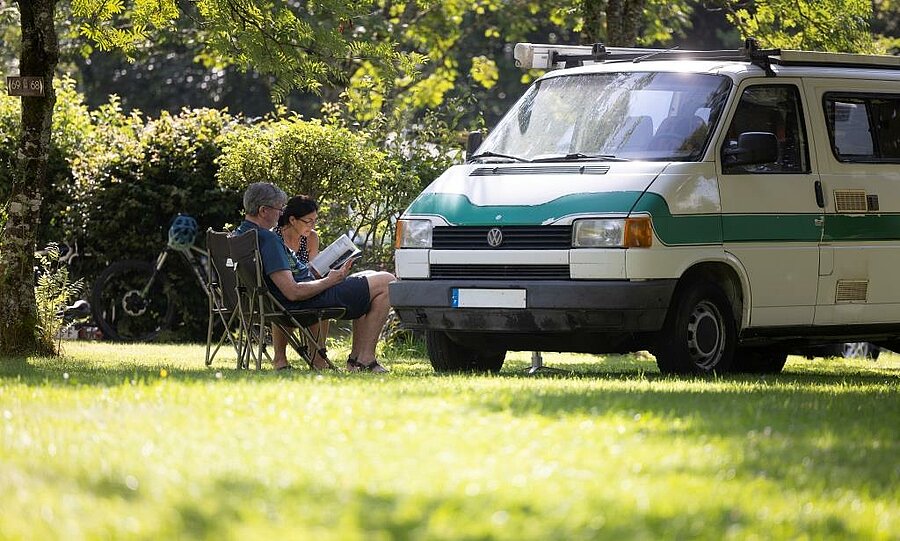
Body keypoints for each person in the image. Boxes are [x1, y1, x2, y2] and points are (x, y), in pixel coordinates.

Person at [235, 182, 395, 372]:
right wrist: (330, 280)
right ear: (263, 210)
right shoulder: (268, 239)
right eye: (279, 209)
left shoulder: (241, 235)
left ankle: (356, 359)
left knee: (368, 275)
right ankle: (365, 359)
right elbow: (293, 292)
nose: (281, 214)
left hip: (294, 296)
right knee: (387, 281)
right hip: (304, 302)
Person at [273, 195, 329, 369]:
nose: (312, 226)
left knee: (322, 298)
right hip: (280, 288)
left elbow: (313, 269)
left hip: (305, 286)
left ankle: (317, 357)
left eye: (315, 221)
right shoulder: (274, 237)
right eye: (308, 221)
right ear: (292, 220)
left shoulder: (311, 238)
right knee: (286, 298)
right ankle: (280, 358)